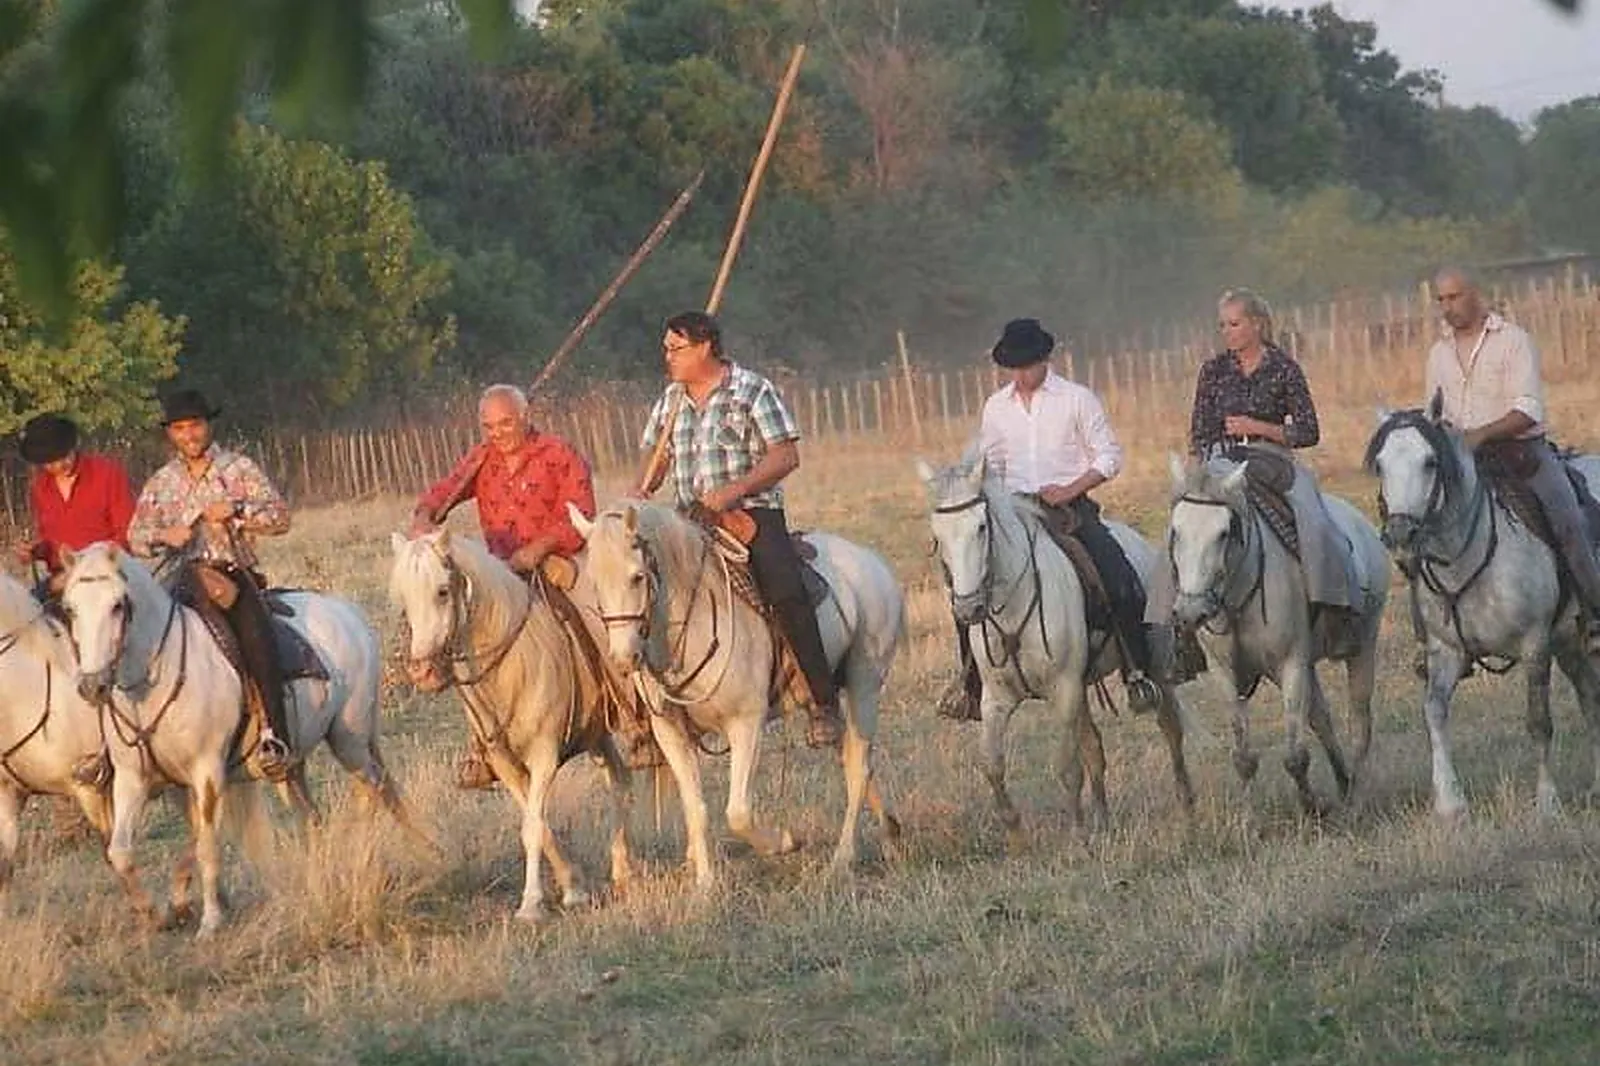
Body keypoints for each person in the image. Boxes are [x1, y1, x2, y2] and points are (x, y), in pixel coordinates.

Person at [632, 311, 843, 748]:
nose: (667, 356)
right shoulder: (671, 401)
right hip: (688, 521)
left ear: (705, 347)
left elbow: (785, 456)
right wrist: (643, 486)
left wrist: (735, 490)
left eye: (676, 348)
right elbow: (656, 456)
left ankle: (821, 700)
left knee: (785, 590)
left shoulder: (752, 389)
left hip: (750, 513)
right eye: (666, 348)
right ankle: (654, 712)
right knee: (639, 590)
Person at [937, 318, 1160, 720]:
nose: (1020, 375)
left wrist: (1071, 489)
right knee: (966, 589)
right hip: (1013, 513)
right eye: (1013, 367)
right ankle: (971, 684)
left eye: (1027, 365)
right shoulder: (996, 407)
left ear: (1045, 359)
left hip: (1069, 510)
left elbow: (1110, 456)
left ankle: (1137, 672)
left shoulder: (1077, 399)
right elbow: (992, 464)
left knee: (1119, 578)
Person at [410, 383, 605, 788]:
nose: (498, 433)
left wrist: (538, 549)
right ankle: (482, 743)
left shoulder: (559, 454)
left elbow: (581, 515)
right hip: (501, 573)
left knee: (595, 617)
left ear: (526, 416)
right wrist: (424, 516)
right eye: (489, 426)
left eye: (506, 423)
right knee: (462, 638)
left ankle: (627, 709)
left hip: (557, 562)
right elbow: (443, 492)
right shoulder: (482, 458)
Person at [1147, 289, 1361, 643]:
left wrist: (1259, 427)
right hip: (1222, 461)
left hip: (1272, 460)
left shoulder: (1284, 368)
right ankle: (1170, 626)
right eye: (1222, 325)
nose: (1226, 332)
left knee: (1313, 517)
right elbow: (1199, 431)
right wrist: (1195, 474)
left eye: (1234, 324)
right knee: (1181, 526)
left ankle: (1334, 609)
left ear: (1257, 324)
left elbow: (1309, 431)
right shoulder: (1212, 370)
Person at [1425, 266, 1600, 656]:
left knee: (1569, 520)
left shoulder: (1513, 341)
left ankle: (1593, 614)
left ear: (1475, 294)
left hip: (1523, 455)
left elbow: (1528, 409)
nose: (1447, 306)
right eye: (1441, 299)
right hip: (1463, 461)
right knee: (1421, 527)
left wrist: (1479, 434)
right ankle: (1433, 637)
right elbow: (1434, 413)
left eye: (1454, 297)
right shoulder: (1438, 354)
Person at [124, 388, 294, 781]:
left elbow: (281, 517)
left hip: (229, 576)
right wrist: (164, 534)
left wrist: (237, 510)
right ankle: (137, 742)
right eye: (180, 428)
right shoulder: (161, 482)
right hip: (178, 579)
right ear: (170, 433)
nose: (189, 435)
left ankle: (274, 735)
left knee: (257, 639)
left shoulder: (238, 468)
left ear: (208, 425)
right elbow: (134, 536)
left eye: (195, 425)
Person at [15, 414, 135, 595]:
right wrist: (35, 551)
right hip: (62, 576)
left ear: (73, 447)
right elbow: (51, 541)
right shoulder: (40, 487)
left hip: (105, 574)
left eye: (64, 457)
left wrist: (88, 568)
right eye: (50, 462)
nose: (59, 465)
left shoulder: (107, 473)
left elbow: (126, 532)